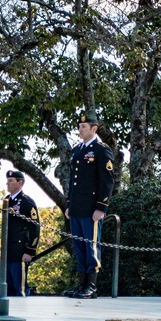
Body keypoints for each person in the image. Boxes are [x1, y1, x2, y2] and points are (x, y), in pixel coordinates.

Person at [64, 113, 115, 299]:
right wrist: (69, 204)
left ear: (94, 128)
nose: (80, 129)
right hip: (77, 207)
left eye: (83, 127)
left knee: (91, 246)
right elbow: (73, 181)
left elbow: (107, 181)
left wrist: (101, 207)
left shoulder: (101, 149)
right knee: (79, 245)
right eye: (79, 126)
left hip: (92, 207)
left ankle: (91, 286)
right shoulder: (77, 150)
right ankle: (82, 283)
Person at [4, 170, 40, 297]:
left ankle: (21, 314)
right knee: (8, 289)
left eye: (11, 180)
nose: (7, 183)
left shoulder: (26, 202)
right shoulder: (7, 200)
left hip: (20, 250)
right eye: (7, 180)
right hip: (7, 251)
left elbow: (34, 228)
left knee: (21, 289)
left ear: (20, 182)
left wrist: (30, 250)